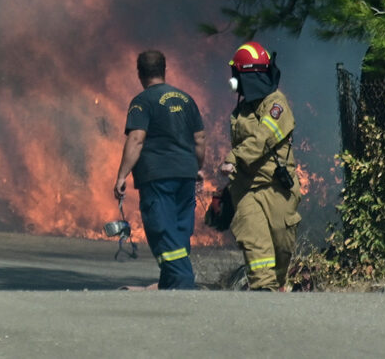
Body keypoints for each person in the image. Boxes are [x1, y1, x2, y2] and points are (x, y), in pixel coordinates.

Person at [114, 49, 206, 290]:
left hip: (158, 177)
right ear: (164, 70)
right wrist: (196, 167)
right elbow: (200, 139)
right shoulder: (186, 100)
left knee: (163, 231)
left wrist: (122, 175)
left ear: (140, 73)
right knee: (180, 230)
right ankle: (169, 285)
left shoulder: (142, 102)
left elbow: (136, 139)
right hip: (186, 175)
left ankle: (184, 284)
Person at [217, 41, 301, 291]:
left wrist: (234, 157)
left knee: (282, 247)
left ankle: (275, 288)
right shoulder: (240, 111)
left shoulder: (277, 103)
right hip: (245, 190)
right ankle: (262, 290)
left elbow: (264, 137)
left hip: (277, 188)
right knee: (255, 245)